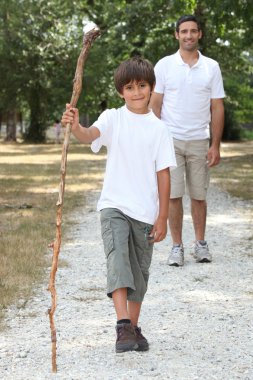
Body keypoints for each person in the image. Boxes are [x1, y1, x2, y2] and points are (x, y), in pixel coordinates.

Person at [61, 57, 176, 353]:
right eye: (129, 87)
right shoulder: (113, 118)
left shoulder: (159, 129)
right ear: (120, 91)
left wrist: (163, 217)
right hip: (114, 205)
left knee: (139, 272)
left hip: (146, 213)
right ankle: (122, 324)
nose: (136, 92)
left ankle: (133, 328)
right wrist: (75, 126)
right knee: (118, 259)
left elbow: (163, 175)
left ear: (151, 88)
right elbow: (89, 136)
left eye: (142, 85)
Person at [150, 14, 225, 267]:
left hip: (199, 141)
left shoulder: (211, 67)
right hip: (170, 140)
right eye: (184, 31)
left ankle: (200, 244)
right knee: (173, 197)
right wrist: (154, 141)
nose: (189, 35)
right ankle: (176, 247)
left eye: (193, 31)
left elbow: (217, 107)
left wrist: (215, 144)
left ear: (200, 34)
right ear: (176, 35)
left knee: (199, 196)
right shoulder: (164, 66)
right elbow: (155, 104)